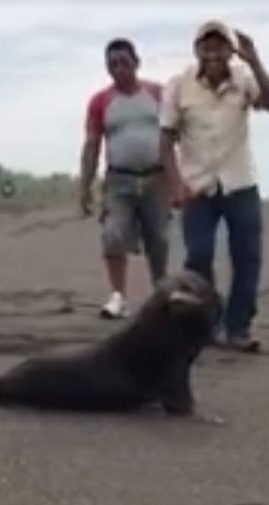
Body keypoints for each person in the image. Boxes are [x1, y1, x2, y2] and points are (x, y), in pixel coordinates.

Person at [159, 20, 269, 352]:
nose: (212, 52)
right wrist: (175, 185)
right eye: (206, 46)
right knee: (198, 257)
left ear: (231, 51)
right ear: (196, 50)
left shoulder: (244, 80)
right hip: (197, 187)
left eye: (219, 46)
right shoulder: (178, 86)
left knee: (247, 258)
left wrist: (255, 61)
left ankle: (238, 327)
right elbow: (166, 140)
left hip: (240, 183)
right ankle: (208, 324)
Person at [79, 37, 170, 319]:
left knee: (159, 239)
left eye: (124, 63)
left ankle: (161, 293)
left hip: (156, 177)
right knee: (112, 234)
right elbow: (92, 144)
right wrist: (85, 186)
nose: (118, 69)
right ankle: (118, 296)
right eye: (112, 64)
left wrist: (181, 179)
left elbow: (175, 135)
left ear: (136, 63)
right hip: (119, 179)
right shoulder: (101, 101)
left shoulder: (158, 94)